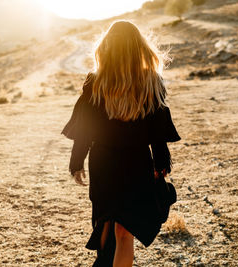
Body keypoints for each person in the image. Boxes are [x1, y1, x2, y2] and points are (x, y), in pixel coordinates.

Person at [62, 20, 180, 267]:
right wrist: (160, 163)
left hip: (103, 162)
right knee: (124, 233)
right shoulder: (151, 82)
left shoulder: (96, 81)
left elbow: (85, 129)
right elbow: (157, 132)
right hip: (137, 163)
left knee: (104, 222)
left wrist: (77, 162)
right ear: (139, 47)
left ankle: (104, 263)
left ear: (107, 47)